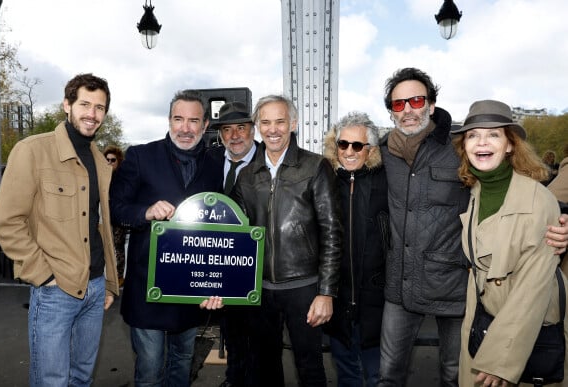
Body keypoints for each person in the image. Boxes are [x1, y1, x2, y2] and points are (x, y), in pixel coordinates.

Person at [377, 67, 568, 386]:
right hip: (402, 283)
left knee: (456, 374)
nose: (408, 109)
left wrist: (561, 218)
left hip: (455, 286)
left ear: (431, 105)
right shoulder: (381, 152)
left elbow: (516, 194)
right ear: (391, 112)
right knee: (389, 374)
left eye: (416, 100)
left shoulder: (456, 146)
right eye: (399, 104)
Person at [0, 73, 119, 386]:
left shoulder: (101, 162)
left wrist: (109, 283)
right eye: (85, 104)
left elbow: (101, 224)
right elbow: (8, 222)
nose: (92, 114)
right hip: (55, 289)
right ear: (67, 105)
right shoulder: (32, 151)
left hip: (94, 289)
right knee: (51, 381)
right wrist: (43, 276)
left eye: (100, 107)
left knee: (81, 378)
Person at [109, 89, 224, 387]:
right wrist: (146, 211)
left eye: (193, 121)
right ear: (169, 120)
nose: (185, 128)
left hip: (190, 288)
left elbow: (223, 226)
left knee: (182, 365)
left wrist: (219, 281)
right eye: (179, 119)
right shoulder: (140, 156)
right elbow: (116, 207)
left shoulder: (215, 166)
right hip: (148, 286)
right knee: (149, 370)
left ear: (205, 125)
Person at [451, 99, 568, 386]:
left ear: (510, 145)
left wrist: (500, 359)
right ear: (464, 146)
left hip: (524, 332)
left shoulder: (538, 200)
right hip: (483, 322)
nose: (482, 142)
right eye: (473, 135)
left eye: (493, 134)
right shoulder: (475, 192)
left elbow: (534, 287)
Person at [232, 95, 342, 387]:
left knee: (310, 369)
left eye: (280, 121)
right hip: (260, 291)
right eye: (265, 122)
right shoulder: (245, 176)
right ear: (257, 127)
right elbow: (233, 235)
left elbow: (332, 232)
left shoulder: (316, 167)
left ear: (293, 124)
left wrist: (326, 292)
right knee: (264, 369)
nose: (273, 129)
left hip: (304, 288)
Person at [322, 112, 388, 387]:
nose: (349, 151)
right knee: (347, 373)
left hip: (377, 299)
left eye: (357, 146)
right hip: (337, 299)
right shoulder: (323, 180)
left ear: (370, 150)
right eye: (343, 144)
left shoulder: (387, 180)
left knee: (377, 375)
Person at [210, 101, 259, 387]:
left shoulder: (269, 159)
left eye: (241, 127)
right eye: (227, 129)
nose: (235, 135)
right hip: (222, 269)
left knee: (263, 343)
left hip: (261, 271)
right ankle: (233, 379)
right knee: (232, 334)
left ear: (253, 130)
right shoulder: (210, 161)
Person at [103, 145, 127, 286]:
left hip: (118, 216)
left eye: (113, 160)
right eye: (107, 160)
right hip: (102, 216)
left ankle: (118, 277)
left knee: (117, 247)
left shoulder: (122, 178)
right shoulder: (101, 175)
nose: (110, 162)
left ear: (118, 161)